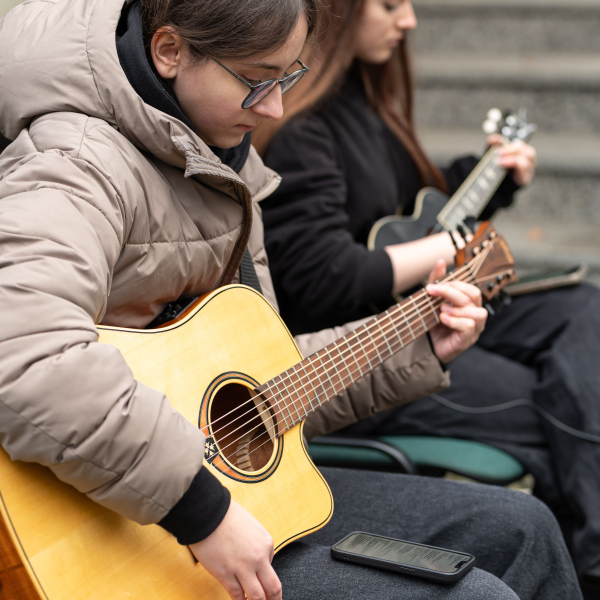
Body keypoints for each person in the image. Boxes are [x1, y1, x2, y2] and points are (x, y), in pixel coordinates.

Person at [0, 0, 582, 598]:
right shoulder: (77, 164)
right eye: (256, 80)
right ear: (169, 51)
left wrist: (419, 346)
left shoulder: (223, 162)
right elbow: (24, 356)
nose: (275, 108)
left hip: (215, 504)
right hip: (137, 528)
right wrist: (202, 512)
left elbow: (263, 389)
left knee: (523, 530)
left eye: (289, 77)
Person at [256, 0, 600, 588]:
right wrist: (446, 245)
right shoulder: (300, 130)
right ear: (337, 15)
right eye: (390, 5)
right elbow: (324, 277)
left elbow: (416, 207)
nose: (410, 19)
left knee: (584, 307)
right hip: (368, 344)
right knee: (555, 401)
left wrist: (491, 174)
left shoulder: (372, 105)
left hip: (429, 304)